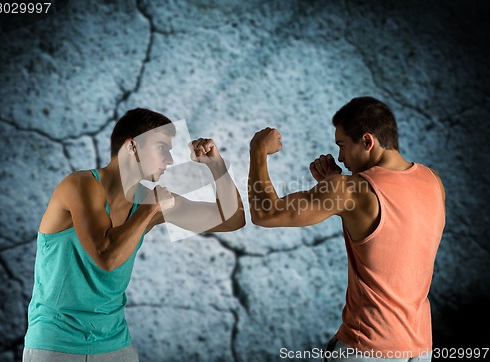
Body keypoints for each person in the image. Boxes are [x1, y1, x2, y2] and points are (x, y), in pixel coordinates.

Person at [23, 108, 245, 362]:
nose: (170, 160)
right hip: (55, 345)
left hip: (116, 345)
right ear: (132, 146)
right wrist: (150, 209)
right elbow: (106, 258)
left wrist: (216, 165)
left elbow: (232, 219)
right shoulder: (80, 185)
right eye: (162, 147)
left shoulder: (149, 200)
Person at [248, 96, 445, 362]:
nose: (340, 156)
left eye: (342, 145)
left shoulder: (350, 189)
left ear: (367, 141)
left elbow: (264, 213)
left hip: (367, 349)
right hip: (420, 349)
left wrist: (258, 150)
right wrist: (334, 182)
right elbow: (396, 243)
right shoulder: (433, 181)